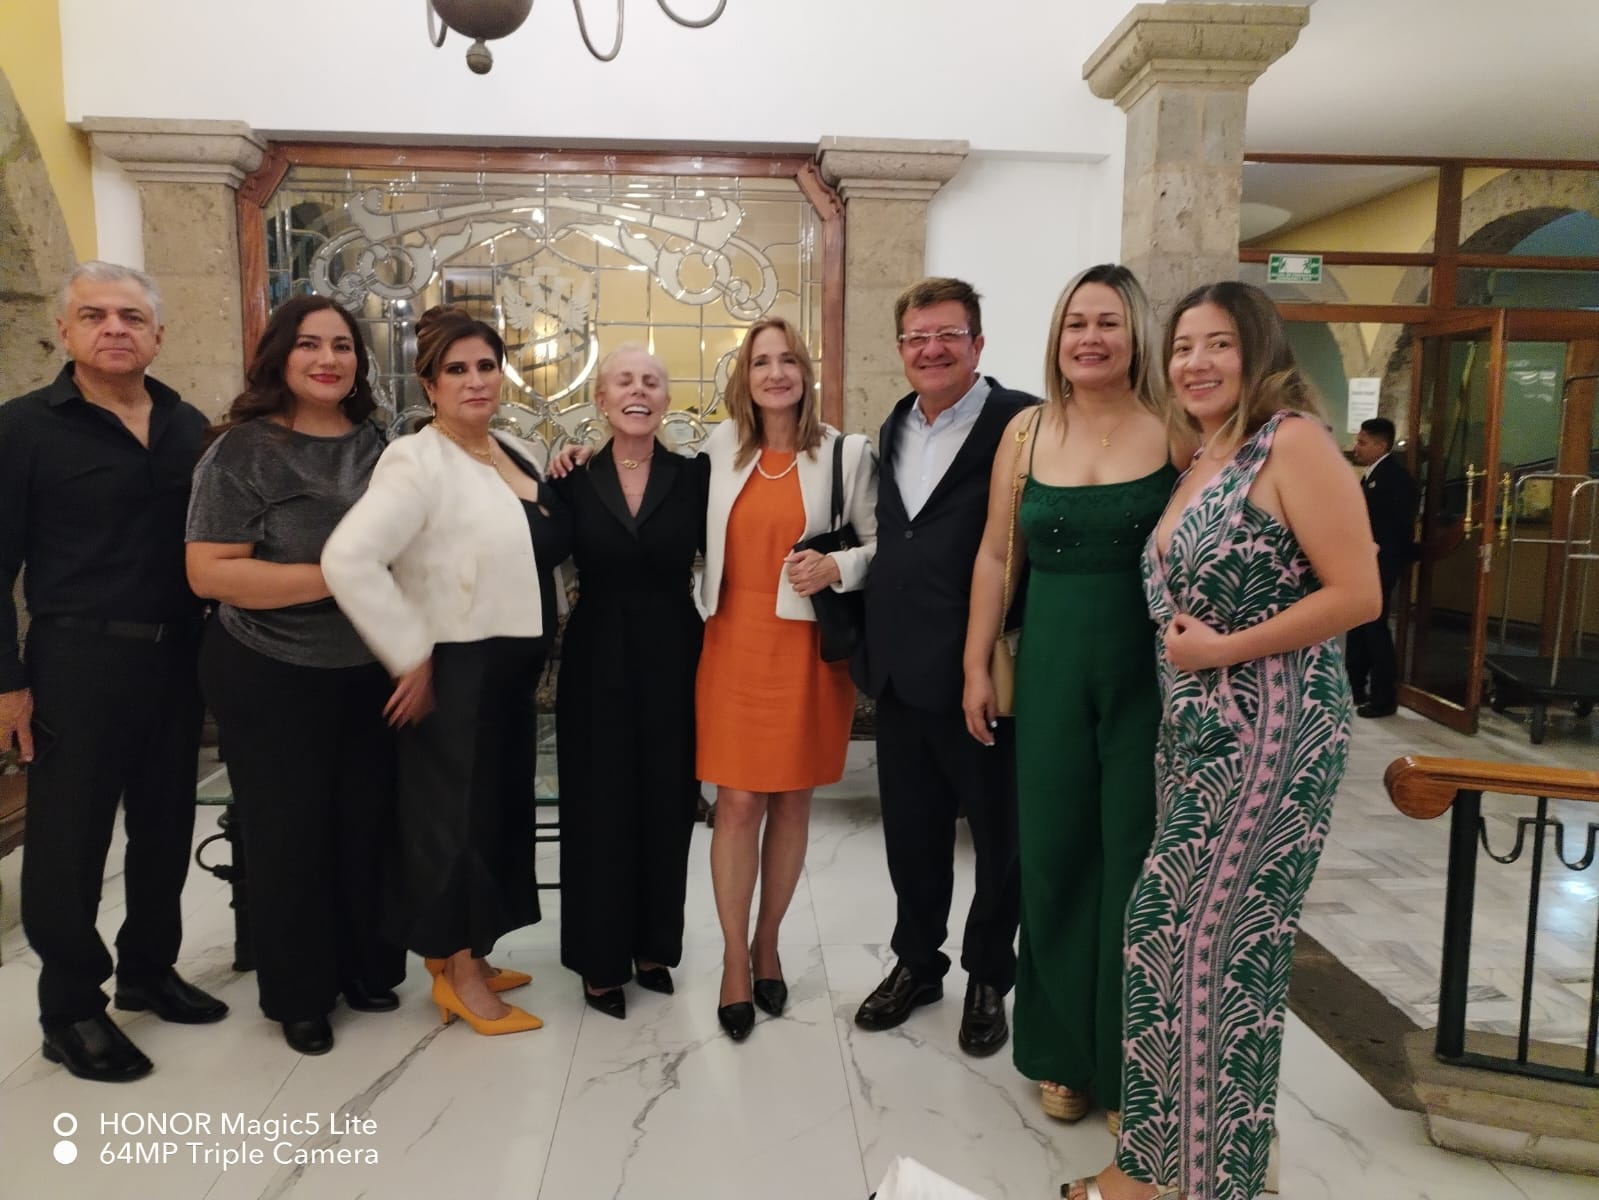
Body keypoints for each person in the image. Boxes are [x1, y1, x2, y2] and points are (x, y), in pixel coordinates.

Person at [1064, 281, 1380, 1200]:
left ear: (1258, 351)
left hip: (1273, 731)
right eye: (1182, 347)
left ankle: (1181, 1177)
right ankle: (1182, 1164)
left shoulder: (1293, 442)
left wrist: (1224, 650)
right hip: (1198, 736)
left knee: (1201, 945)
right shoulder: (1205, 453)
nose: (1195, 363)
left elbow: (1357, 594)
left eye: (1217, 345)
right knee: (1186, 947)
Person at [0, 261, 227, 1084]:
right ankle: (70, 1009)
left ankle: (148, 970)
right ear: (64, 331)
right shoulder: (22, 429)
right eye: (93, 315)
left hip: (177, 656)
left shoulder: (186, 424)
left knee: (166, 826)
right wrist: (6, 680)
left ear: (157, 334)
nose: (114, 329)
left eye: (130, 316)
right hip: (77, 659)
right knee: (69, 842)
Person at [962, 265, 1176, 1124]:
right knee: (1051, 857)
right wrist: (975, 666)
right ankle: (1060, 1053)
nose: (1090, 338)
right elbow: (992, 556)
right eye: (1076, 323)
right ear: (1057, 338)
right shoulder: (1024, 433)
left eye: (1108, 322)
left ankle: (1129, 1066)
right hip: (1049, 671)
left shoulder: (1177, 430)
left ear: (1136, 336)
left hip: (1148, 677)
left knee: (1134, 862)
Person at [322, 305, 570, 1037]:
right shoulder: (415, 460)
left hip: (512, 666)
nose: (474, 380)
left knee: (494, 812)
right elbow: (348, 558)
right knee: (451, 823)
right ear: (429, 385)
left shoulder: (516, 448)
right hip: (455, 668)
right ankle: (457, 976)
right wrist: (408, 653)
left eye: (486, 365)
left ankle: (471, 953)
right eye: (456, 370)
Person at [186, 295, 405, 1056]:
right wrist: (342, 575)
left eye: (342, 345)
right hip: (269, 667)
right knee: (288, 835)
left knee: (363, 825)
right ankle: (300, 993)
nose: (327, 359)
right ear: (280, 355)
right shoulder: (240, 451)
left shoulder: (379, 443)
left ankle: (365, 967)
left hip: (367, 666)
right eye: (309, 344)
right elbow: (210, 572)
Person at [852, 277, 1034, 1057]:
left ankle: (988, 975)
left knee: (999, 840)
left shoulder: (1022, 422)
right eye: (916, 337)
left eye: (947, 335)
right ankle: (916, 964)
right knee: (912, 836)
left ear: (977, 343)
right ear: (901, 348)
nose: (930, 350)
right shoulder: (894, 424)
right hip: (901, 670)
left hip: (984, 672)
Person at [697, 315, 877, 1041]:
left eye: (787, 360)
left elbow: (881, 545)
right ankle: (733, 960)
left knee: (793, 803)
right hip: (730, 641)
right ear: (744, 378)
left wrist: (838, 565)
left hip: (806, 647)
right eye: (760, 362)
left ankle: (768, 942)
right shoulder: (717, 450)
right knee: (736, 803)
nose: (775, 373)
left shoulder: (844, 454)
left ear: (805, 372)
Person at [547, 344, 708, 1019]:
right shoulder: (570, 477)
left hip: (676, 651)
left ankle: (652, 947)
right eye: (624, 381)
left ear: (666, 399)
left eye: (651, 381)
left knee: (667, 801)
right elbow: (542, 552)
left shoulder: (696, 476)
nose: (638, 390)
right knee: (597, 805)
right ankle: (599, 958)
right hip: (596, 654)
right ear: (602, 400)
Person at [1347, 416, 1416, 718]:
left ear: (1381, 445)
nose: (1356, 447)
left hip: (1381, 563)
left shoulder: (1395, 478)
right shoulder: (1372, 476)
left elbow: (1394, 529)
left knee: (1375, 629)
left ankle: (1383, 696)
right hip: (1365, 562)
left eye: (1363, 442)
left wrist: (1382, 559)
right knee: (1359, 626)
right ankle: (1355, 686)